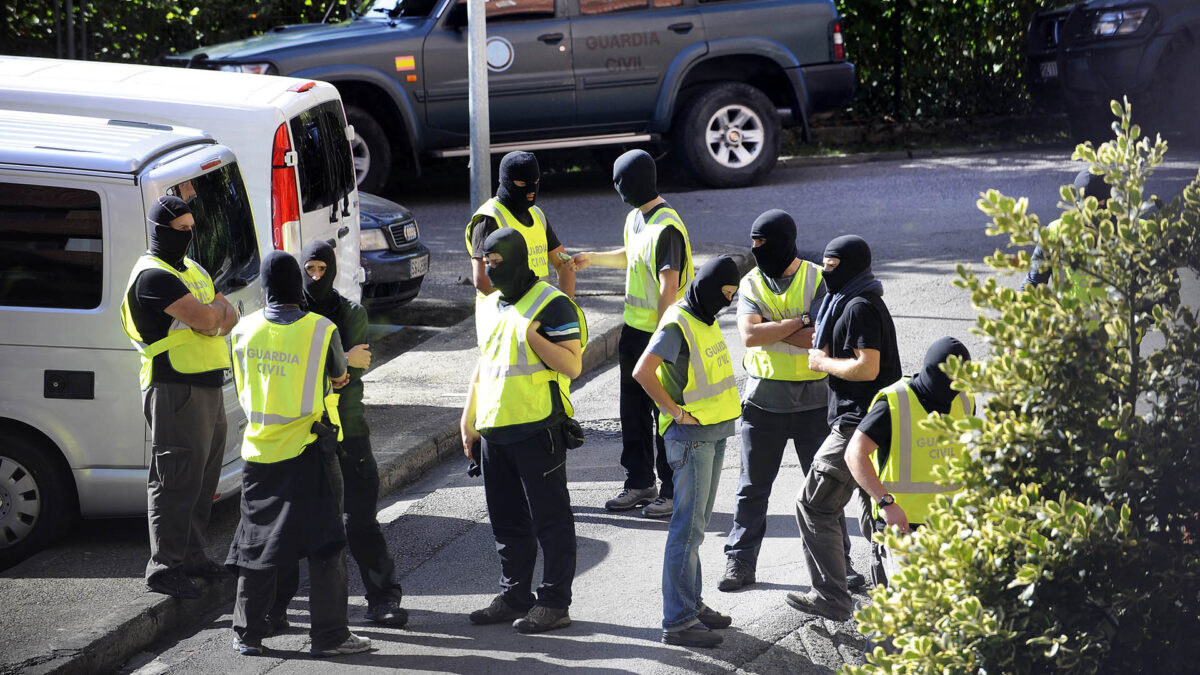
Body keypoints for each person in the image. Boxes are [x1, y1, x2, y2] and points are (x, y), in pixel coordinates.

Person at [225, 251, 369, 658]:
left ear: (265, 288)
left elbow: (240, 384)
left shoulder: (242, 330)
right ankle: (330, 636)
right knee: (325, 543)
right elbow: (340, 377)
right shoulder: (320, 329)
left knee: (256, 543)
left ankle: (248, 634)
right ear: (297, 286)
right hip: (308, 448)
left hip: (257, 451)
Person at [722, 210, 866, 592]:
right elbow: (750, 337)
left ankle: (841, 566)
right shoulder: (751, 281)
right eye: (753, 242)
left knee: (825, 492)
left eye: (762, 242)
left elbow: (822, 339)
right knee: (751, 489)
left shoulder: (819, 276)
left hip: (816, 406)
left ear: (784, 241)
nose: (755, 250)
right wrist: (798, 322)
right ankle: (739, 562)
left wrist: (773, 328)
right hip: (762, 403)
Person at [460, 228, 587, 634]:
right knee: (506, 521)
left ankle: (554, 602)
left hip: (538, 429)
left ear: (516, 260)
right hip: (495, 430)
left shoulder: (553, 304)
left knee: (551, 519)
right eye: (486, 262)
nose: (490, 271)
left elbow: (572, 366)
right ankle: (515, 594)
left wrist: (534, 338)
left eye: (496, 263)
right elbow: (486, 364)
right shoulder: (495, 304)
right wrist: (468, 420)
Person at [120, 195, 238, 600]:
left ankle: (192, 555)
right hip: (173, 387)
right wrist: (214, 317)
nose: (188, 236)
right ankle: (164, 566)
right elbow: (211, 318)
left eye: (191, 229)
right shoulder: (154, 276)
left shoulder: (192, 270)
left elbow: (229, 314)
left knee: (202, 478)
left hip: (205, 385)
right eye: (180, 230)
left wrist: (215, 317)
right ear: (160, 231)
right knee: (174, 480)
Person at [573, 149, 694, 518]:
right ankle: (640, 482)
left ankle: (672, 490)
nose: (617, 189)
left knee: (663, 415)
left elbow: (667, 286)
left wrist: (660, 342)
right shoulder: (636, 219)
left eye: (619, 182)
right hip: (632, 331)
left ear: (633, 182)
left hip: (657, 337)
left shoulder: (666, 226)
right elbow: (631, 255)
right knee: (633, 412)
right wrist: (593, 258)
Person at [790, 234, 901, 622]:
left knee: (814, 505)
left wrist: (822, 363)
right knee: (870, 512)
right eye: (823, 263)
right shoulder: (855, 299)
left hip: (857, 424)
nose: (825, 271)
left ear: (851, 267)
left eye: (833, 265)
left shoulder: (858, 307)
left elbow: (867, 367)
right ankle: (891, 594)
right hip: (867, 423)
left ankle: (831, 598)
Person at [632, 255, 741, 649]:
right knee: (687, 529)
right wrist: (675, 412)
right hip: (690, 438)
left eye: (732, 296)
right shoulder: (678, 321)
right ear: (710, 289)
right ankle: (678, 620)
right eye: (724, 294)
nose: (727, 303)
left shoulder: (703, 315)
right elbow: (642, 371)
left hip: (713, 431)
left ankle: (692, 604)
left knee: (697, 528)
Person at [300, 241, 408, 626]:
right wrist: (342, 358)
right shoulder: (292, 315)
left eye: (321, 270)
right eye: (309, 269)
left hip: (349, 433)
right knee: (299, 527)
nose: (315, 277)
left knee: (359, 522)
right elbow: (334, 369)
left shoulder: (351, 312)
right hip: (304, 436)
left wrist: (339, 366)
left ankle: (383, 599)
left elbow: (347, 378)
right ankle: (282, 611)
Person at [845, 336, 975, 587]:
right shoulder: (894, 404)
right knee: (908, 616)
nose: (951, 396)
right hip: (902, 530)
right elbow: (854, 454)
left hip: (950, 529)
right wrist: (885, 502)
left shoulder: (964, 399)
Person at [465, 151, 575, 298]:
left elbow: (564, 264)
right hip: (504, 317)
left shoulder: (537, 215)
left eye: (535, 182)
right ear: (506, 181)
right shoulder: (489, 218)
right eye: (522, 184)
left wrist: (568, 306)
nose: (530, 190)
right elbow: (482, 281)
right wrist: (520, 308)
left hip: (540, 313)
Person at [1023, 169, 1109, 291]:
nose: (1091, 215)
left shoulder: (1133, 231)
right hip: (1071, 310)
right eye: (1085, 207)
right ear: (1076, 203)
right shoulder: (1055, 231)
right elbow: (1033, 282)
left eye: (1099, 206)